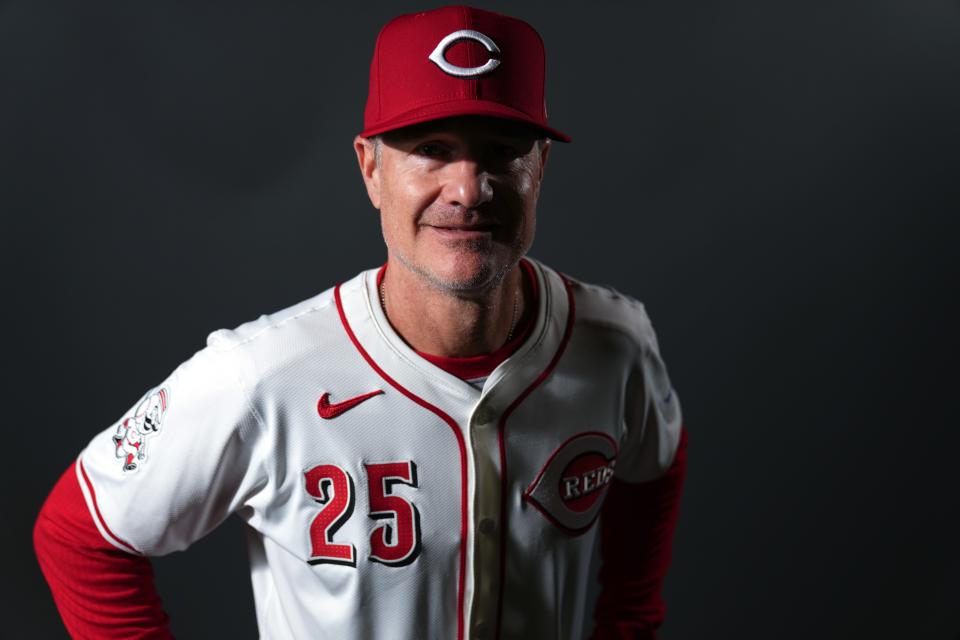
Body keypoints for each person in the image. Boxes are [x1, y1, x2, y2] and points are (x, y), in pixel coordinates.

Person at [34, 5, 688, 639]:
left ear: (540, 167)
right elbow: (79, 532)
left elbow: (659, 453)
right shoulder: (261, 377)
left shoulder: (616, 344)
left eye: (502, 150)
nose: (468, 189)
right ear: (371, 168)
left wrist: (628, 624)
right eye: (431, 149)